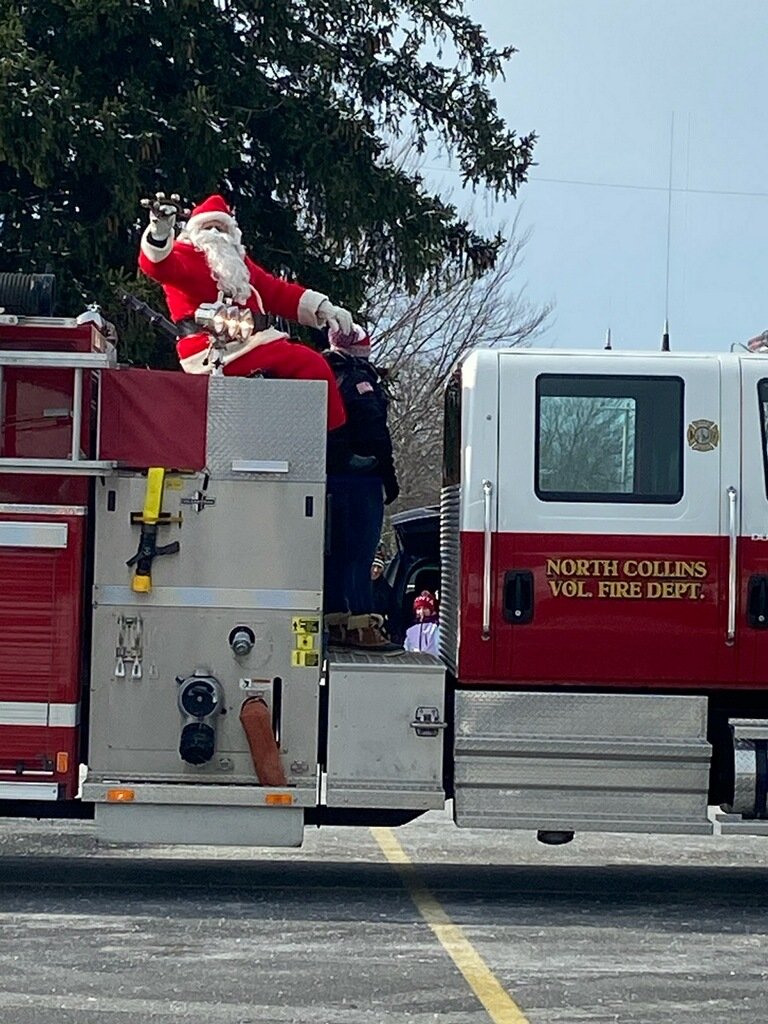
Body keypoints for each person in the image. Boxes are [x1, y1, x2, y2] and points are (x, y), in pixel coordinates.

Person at [137, 192, 367, 471]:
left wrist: (323, 308)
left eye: (221, 228)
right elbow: (158, 265)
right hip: (213, 349)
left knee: (309, 367)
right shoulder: (185, 256)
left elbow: (276, 291)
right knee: (311, 364)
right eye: (209, 228)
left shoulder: (240, 265)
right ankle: (337, 452)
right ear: (196, 231)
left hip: (250, 345)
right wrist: (159, 233)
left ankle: (324, 447)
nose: (216, 234)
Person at [323, 332, 401, 653]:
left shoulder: (327, 374)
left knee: (336, 554)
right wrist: (388, 474)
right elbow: (374, 433)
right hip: (361, 479)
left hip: (330, 478)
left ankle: (337, 621)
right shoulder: (359, 380)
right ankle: (363, 626)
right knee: (360, 553)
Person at [404, 591, 440, 656]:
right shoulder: (410, 630)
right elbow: (407, 647)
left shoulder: (436, 627)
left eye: (425, 608)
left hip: (433, 662)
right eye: (418, 609)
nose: (421, 611)